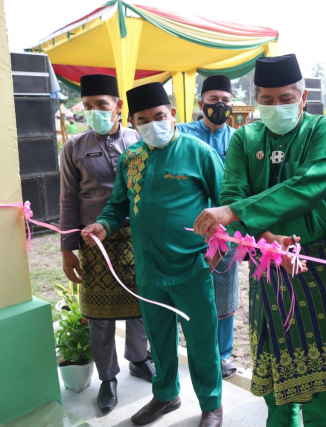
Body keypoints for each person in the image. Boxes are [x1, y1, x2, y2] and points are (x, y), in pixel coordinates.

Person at [192, 54, 326, 427]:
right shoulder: (245, 138)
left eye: (285, 98)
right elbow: (233, 189)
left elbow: (307, 186)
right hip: (269, 266)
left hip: (320, 266)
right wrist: (266, 238)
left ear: (302, 98)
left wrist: (236, 213)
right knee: (277, 375)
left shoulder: (325, 132)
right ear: (256, 101)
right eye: (266, 100)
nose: (275, 106)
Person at [82, 82, 225, 427]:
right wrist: (103, 225)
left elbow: (225, 204)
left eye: (158, 116)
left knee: (201, 340)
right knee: (158, 341)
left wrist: (221, 247)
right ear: (132, 122)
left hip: (191, 266)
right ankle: (166, 395)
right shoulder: (131, 158)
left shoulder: (198, 152)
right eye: (142, 120)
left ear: (172, 114)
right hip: (149, 270)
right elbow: (117, 205)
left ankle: (211, 404)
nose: (151, 125)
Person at [59, 74, 154, 414]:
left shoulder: (139, 140)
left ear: (118, 106)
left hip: (137, 237)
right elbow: (68, 199)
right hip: (93, 241)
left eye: (102, 104)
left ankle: (139, 359)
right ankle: (108, 378)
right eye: (88, 106)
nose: (95, 111)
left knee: (141, 304)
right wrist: (67, 248)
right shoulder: (73, 148)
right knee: (99, 314)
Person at [177, 75, 239, 379]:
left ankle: (223, 354)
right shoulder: (183, 135)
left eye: (226, 100)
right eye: (213, 100)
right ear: (201, 104)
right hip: (190, 230)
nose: (220, 106)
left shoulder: (240, 140)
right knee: (187, 288)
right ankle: (188, 347)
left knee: (225, 292)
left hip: (226, 232)